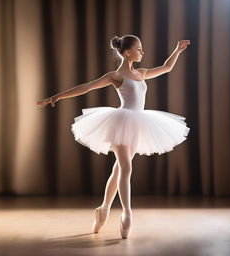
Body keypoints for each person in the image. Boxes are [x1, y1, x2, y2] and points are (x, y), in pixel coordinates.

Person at [36, 34, 191, 239]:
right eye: (139, 49)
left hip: (138, 123)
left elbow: (166, 67)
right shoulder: (116, 76)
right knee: (126, 167)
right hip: (120, 122)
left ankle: (103, 208)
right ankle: (127, 213)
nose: (142, 52)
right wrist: (57, 96)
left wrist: (177, 50)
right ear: (128, 53)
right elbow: (87, 87)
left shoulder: (141, 73)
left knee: (118, 169)